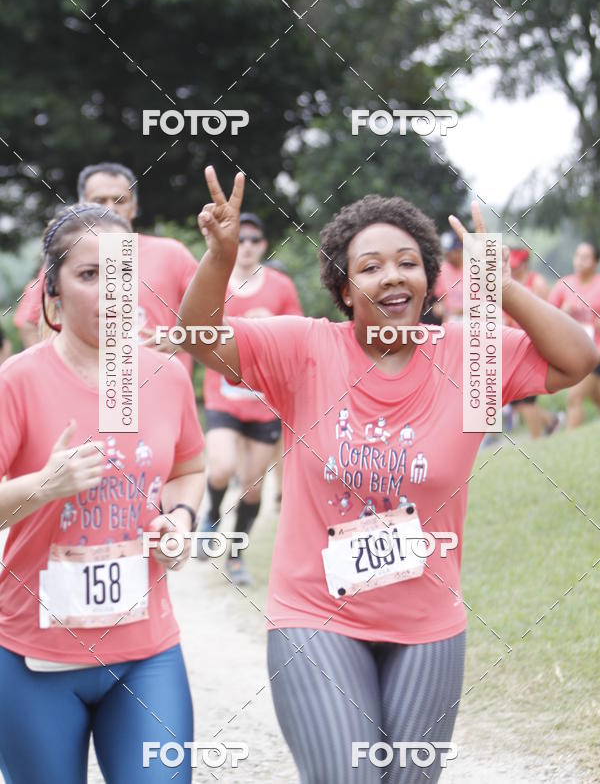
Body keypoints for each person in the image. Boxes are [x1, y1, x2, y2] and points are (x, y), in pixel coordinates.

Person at [179, 167, 598, 784]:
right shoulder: (305, 350)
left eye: (408, 262)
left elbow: (579, 359)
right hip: (315, 615)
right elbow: (198, 337)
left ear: (429, 280)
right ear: (344, 289)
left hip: (427, 625)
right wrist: (219, 258)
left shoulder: (469, 357)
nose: (392, 275)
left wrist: (503, 288)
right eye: (370, 266)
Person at [0, 204, 206, 783]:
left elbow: (189, 467)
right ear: (53, 290)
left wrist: (181, 518)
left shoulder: (166, 376)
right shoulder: (17, 381)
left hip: (146, 655)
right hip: (33, 657)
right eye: (89, 274)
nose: (110, 290)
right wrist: (44, 485)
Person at [13, 163, 199, 375]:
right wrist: (52, 374)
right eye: (99, 201)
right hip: (83, 390)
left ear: (134, 207)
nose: (110, 208)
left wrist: (181, 340)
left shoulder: (172, 254)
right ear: (83, 205)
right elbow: (30, 323)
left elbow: (218, 322)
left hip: (160, 387)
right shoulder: (68, 259)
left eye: (120, 200)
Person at [198, 211, 303, 585]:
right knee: (222, 467)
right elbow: (197, 327)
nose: (246, 246)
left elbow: (297, 336)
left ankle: (236, 556)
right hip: (224, 395)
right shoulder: (215, 280)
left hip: (265, 401)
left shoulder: (280, 287)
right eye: (240, 239)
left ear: (264, 245)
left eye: (254, 240)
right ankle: (211, 515)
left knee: (252, 487)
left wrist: (268, 327)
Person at [504, 248, 560, 438]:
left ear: (525, 265)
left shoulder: (537, 284)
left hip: (534, 346)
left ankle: (536, 442)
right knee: (515, 399)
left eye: (516, 266)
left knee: (526, 399)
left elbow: (548, 316)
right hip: (513, 347)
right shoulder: (508, 283)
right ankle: (551, 421)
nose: (513, 270)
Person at [548, 241, 600, 428]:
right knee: (596, 395)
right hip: (574, 351)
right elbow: (546, 315)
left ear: (595, 262)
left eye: (585, 257)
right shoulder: (563, 285)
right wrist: (562, 313)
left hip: (596, 351)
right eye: (577, 256)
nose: (579, 261)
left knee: (574, 397)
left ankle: (569, 439)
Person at [430, 230, 463, 322]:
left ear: (459, 251)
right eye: (446, 252)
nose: (447, 255)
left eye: (450, 252)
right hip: (450, 322)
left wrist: (461, 310)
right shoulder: (442, 270)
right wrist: (439, 307)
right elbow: (439, 300)